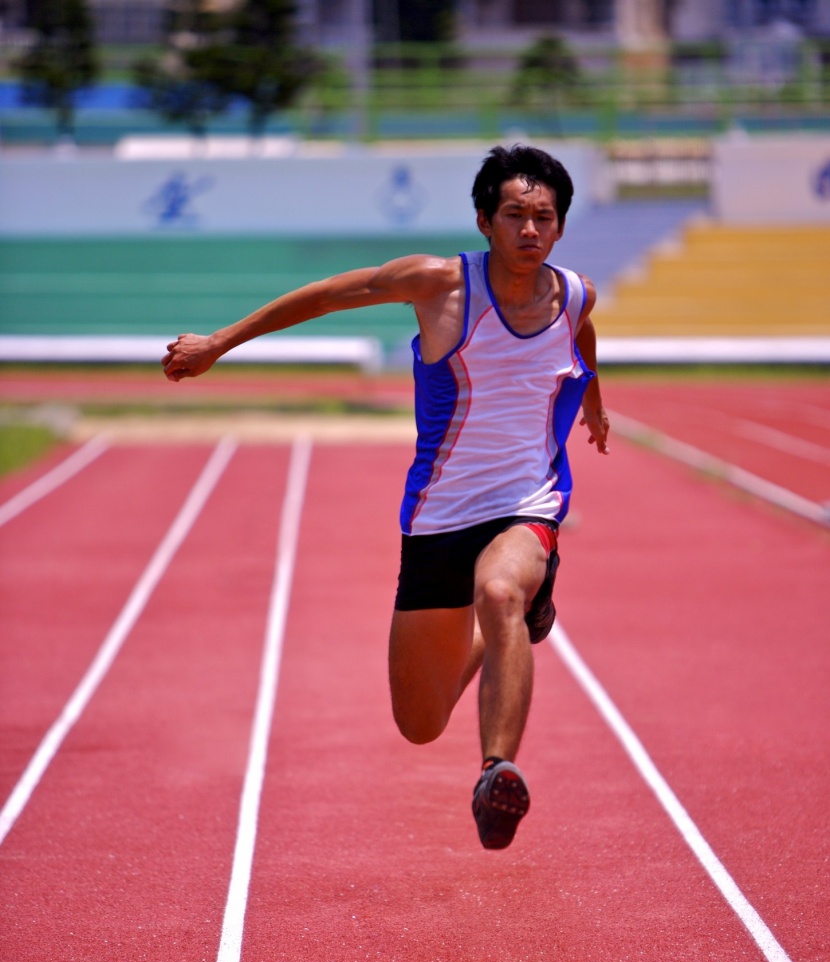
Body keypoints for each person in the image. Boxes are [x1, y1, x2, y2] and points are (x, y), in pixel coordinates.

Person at [163, 143, 610, 852]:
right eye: (515, 215)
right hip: (438, 517)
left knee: (499, 590)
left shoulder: (575, 292)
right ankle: (526, 619)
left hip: (529, 501)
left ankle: (497, 775)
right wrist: (221, 342)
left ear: (559, 227)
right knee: (419, 721)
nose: (530, 230)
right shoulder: (440, 285)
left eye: (544, 218)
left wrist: (591, 402)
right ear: (484, 219)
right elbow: (327, 295)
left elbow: (580, 338)